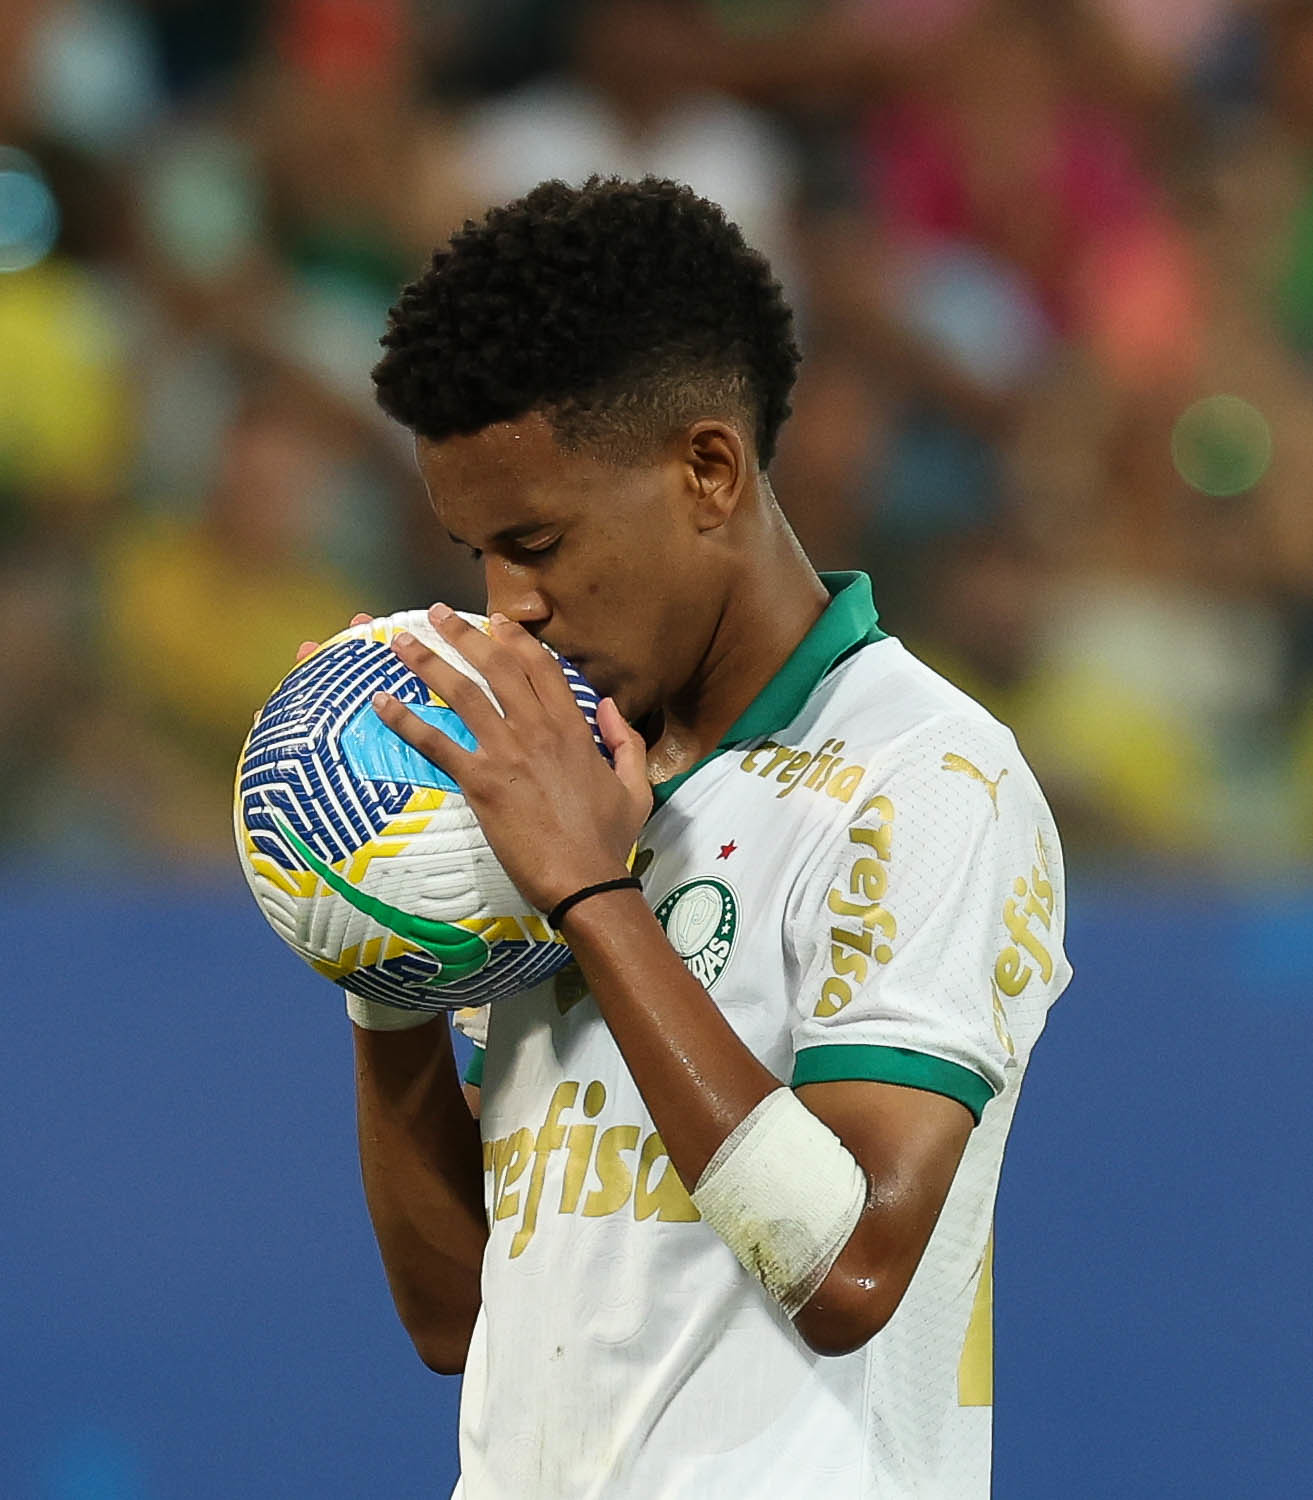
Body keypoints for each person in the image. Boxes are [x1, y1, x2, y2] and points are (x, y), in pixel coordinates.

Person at [347, 176, 1072, 1499]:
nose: (508, 607)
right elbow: (456, 1315)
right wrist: (380, 950)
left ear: (705, 468)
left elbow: (850, 1268)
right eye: (472, 555)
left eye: (536, 541)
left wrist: (588, 890)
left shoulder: (924, 779)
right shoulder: (559, 780)